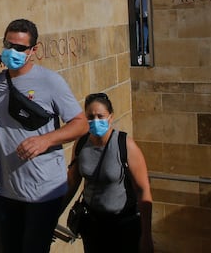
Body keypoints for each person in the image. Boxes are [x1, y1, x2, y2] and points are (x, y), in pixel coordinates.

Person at [0, 19, 89, 253]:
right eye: (8, 44)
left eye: (20, 48)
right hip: (8, 191)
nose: (13, 51)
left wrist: (46, 140)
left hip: (44, 191)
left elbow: (80, 124)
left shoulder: (50, 81)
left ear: (33, 51)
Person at [64, 93, 153, 253]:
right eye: (91, 117)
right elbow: (72, 182)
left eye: (101, 116)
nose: (96, 121)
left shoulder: (125, 145)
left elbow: (143, 190)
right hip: (92, 225)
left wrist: (146, 235)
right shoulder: (81, 144)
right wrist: (53, 214)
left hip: (123, 225)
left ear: (110, 117)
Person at [134, 0, 149, 64]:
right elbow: (137, 6)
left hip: (147, 17)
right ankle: (143, 52)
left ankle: (144, 51)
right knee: (144, 35)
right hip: (144, 17)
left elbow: (136, 6)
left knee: (145, 35)